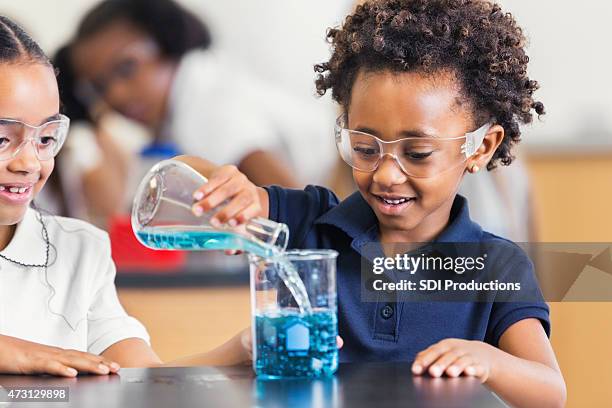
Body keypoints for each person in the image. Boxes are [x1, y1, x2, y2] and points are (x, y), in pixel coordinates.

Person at [178, 0, 566, 406]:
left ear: (480, 148)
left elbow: (550, 392)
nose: (385, 175)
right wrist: (225, 185)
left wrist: (489, 360)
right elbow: (185, 172)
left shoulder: (495, 265)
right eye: (365, 148)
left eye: (416, 153)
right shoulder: (309, 223)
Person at [0, 16, 250, 377]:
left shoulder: (80, 251)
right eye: (2, 139)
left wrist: (238, 351)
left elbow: (137, 380)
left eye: (45, 139)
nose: (30, 163)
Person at [65, 0, 316, 191]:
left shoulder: (208, 105)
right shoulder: (175, 112)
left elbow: (291, 202)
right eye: (100, 87)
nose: (116, 95)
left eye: (126, 67)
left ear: (167, 41)